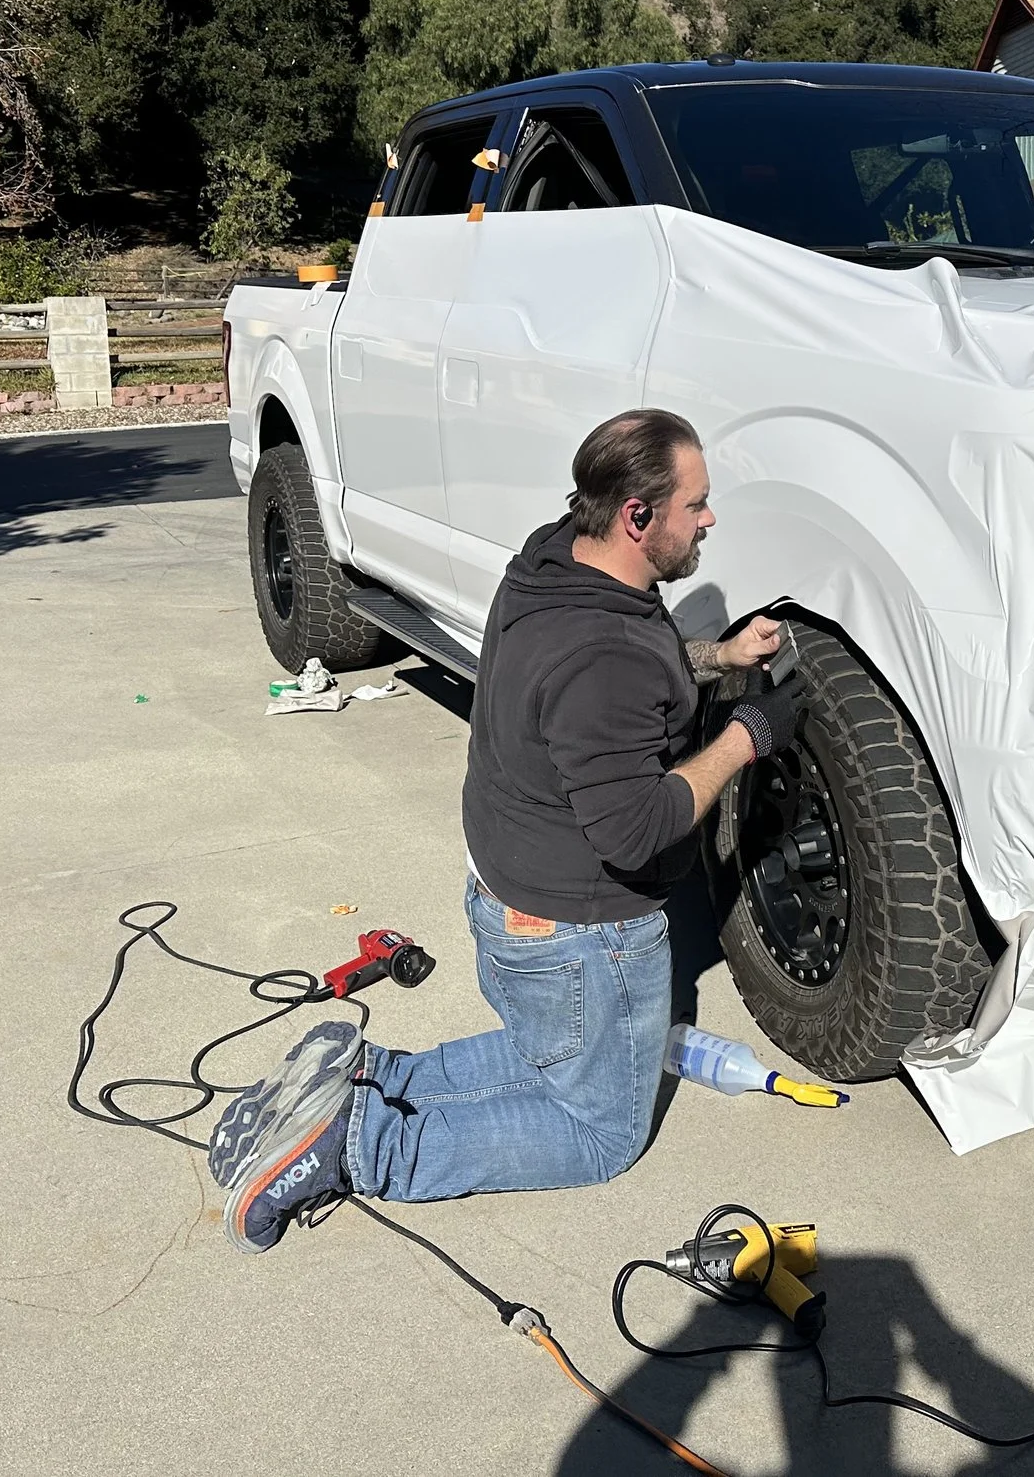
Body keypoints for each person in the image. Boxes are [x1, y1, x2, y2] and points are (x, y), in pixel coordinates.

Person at [207, 408, 801, 1252]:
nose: (709, 519)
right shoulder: (606, 657)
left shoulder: (556, 556)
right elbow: (638, 827)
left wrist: (720, 656)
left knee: (550, 1057)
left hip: (509, 896)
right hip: (575, 937)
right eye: (695, 505)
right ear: (636, 515)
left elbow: (640, 657)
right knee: (602, 1131)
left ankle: (363, 1080)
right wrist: (748, 735)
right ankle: (363, 1142)